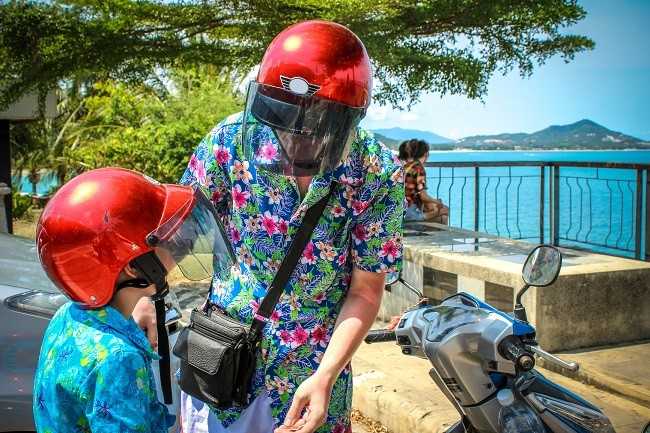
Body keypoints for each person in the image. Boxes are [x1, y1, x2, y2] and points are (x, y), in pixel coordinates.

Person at [164, 20, 405, 433]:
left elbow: (365, 292)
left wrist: (326, 376)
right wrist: (135, 297)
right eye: (282, 121)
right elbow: (179, 233)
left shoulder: (376, 174)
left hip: (309, 381)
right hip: (221, 360)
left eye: (313, 133)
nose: (294, 142)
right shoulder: (228, 145)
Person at [33, 167, 234, 433]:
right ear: (133, 266)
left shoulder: (67, 317)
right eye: (162, 237)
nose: (175, 241)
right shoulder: (119, 358)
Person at [400, 139, 449, 224]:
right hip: (409, 213)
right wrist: (437, 201)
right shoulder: (419, 169)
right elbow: (423, 196)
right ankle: (439, 237)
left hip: (400, 208)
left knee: (433, 208)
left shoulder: (406, 166)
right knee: (444, 211)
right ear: (426, 154)